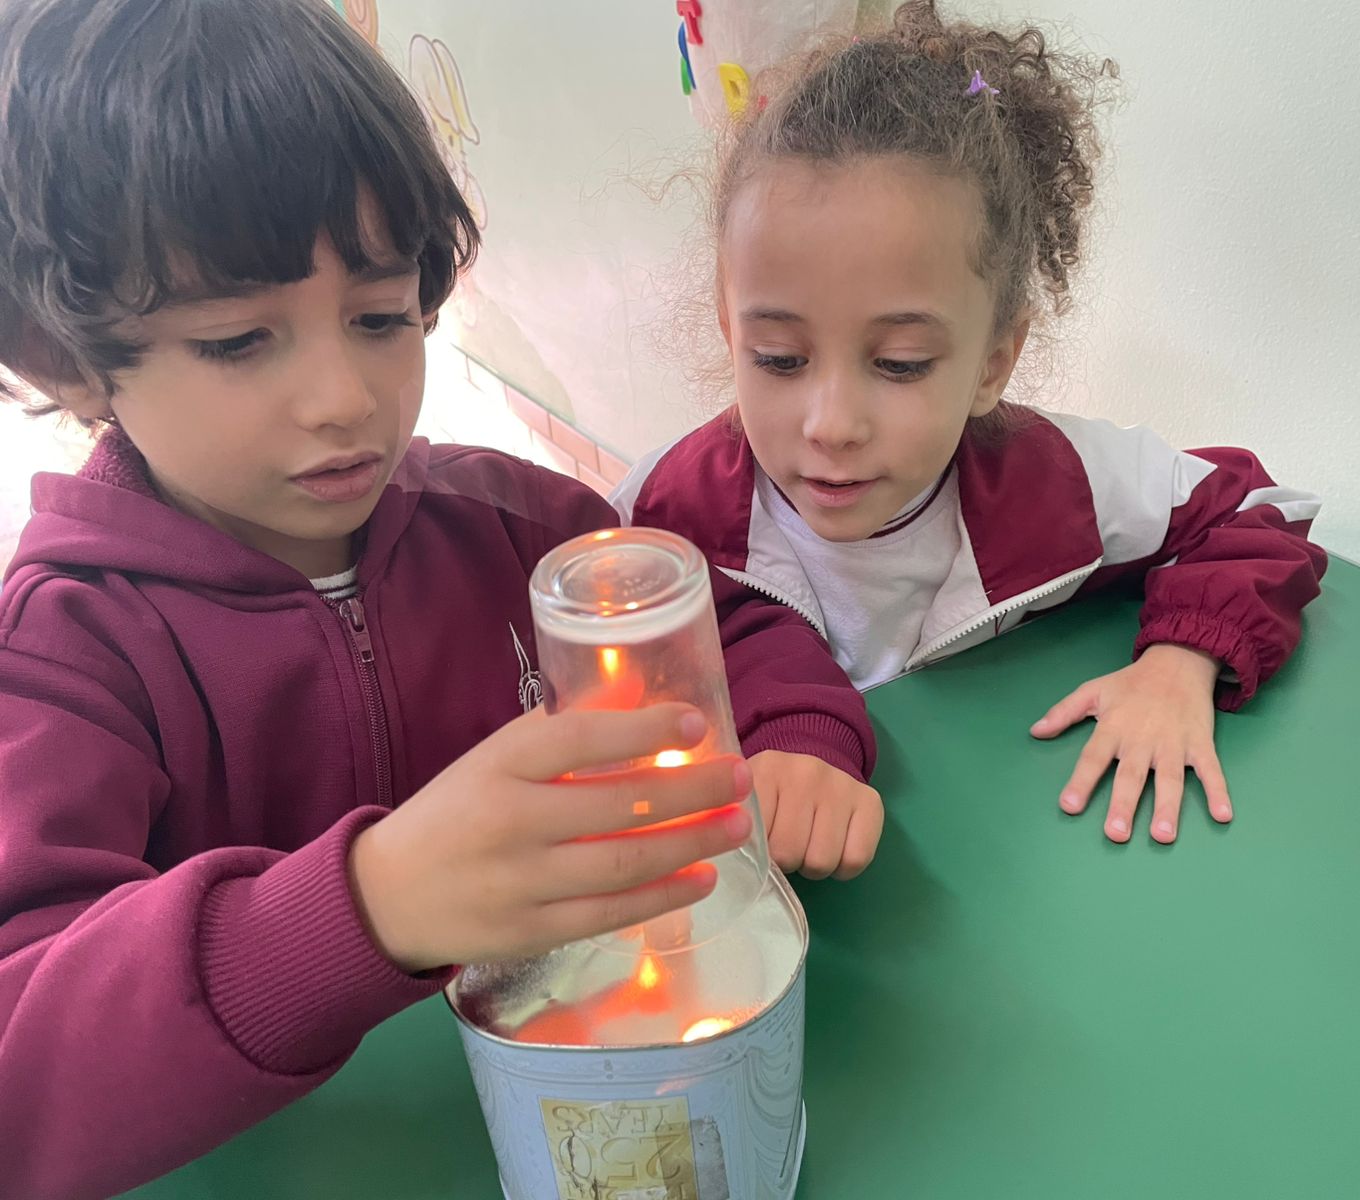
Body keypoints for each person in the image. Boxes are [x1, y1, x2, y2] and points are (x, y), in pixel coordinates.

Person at [0, 2, 875, 1195]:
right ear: (67, 359)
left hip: (592, 1100)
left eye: (380, 317)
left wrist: (798, 742)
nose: (343, 398)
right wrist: (368, 906)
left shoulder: (517, 526)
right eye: (239, 340)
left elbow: (732, 630)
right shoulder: (63, 654)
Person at [616, 0, 1327, 853]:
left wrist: (1181, 662)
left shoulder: (1051, 484)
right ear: (730, 334)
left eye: (900, 363)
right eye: (779, 357)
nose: (832, 425)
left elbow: (1256, 509)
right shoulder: (657, 518)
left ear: (993, 361)